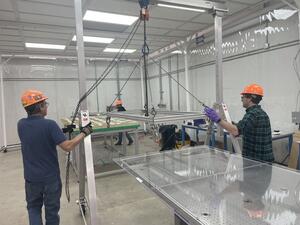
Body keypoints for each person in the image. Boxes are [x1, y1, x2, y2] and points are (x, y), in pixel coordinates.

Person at [17, 89, 93, 225]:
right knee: (51, 212)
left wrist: (62, 131)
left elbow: (38, 134)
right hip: (49, 179)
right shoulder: (50, 125)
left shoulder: (21, 124)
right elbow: (67, 146)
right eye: (45, 103)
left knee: (33, 208)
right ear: (39, 106)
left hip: (31, 178)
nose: (46, 106)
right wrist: (84, 133)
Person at [204, 84, 274, 162]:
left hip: (257, 161)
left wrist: (218, 119)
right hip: (264, 160)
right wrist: (230, 123)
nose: (241, 100)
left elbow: (235, 131)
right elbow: (244, 126)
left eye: (243, 97)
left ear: (249, 98)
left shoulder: (252, 114)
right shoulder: (260, 112)